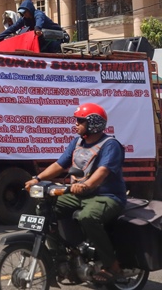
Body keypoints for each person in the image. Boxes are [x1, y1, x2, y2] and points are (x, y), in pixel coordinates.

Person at [24, 103, 126, 285]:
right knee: (45, 207)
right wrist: (37, 179)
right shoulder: (78, 142)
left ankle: (113, 265)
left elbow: (102, 172)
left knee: (88, 217)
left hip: (107, 196)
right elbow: (59, 165)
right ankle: (63, 254)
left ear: (94, 123)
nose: (76, 124)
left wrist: (86, 185)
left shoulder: (111, 145)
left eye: (80, 121)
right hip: (79, 194)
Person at [0, 0, 66, 52]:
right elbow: (13, 27)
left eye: (25, 12)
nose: (24, 15)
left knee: (52, 49)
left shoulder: (38, 14)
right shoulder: (24, 19)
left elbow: (39, 20)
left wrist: (37, 28)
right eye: (22, 13)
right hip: (42, 39)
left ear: (30, 10)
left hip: (55, 37)